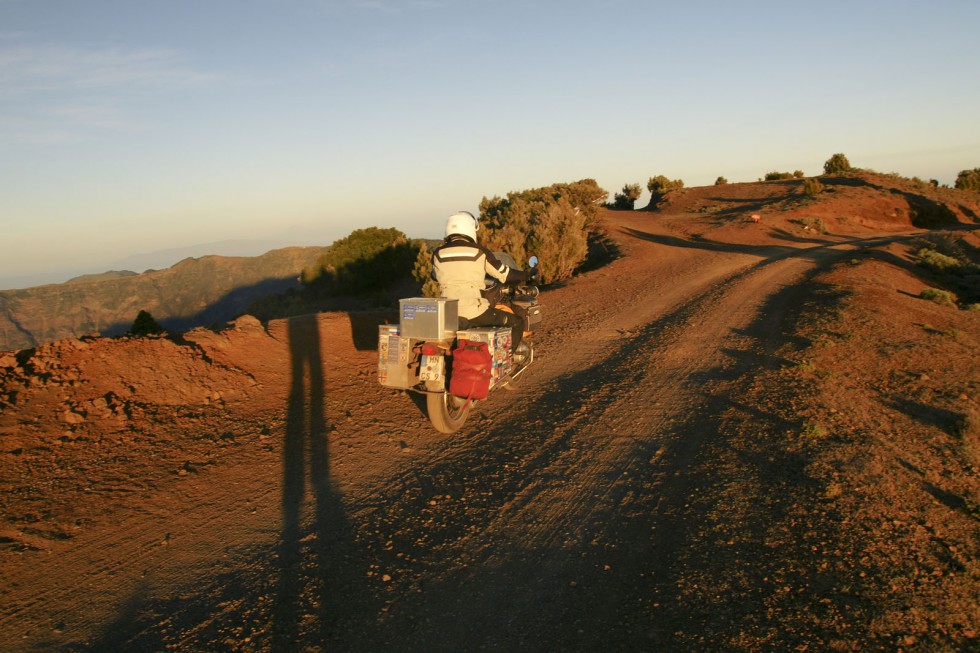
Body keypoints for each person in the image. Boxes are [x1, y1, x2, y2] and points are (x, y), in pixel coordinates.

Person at [432, 210, 534, 359]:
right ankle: (503, 361)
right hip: (474, 311)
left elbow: (435, 276)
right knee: (517, 322)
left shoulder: (437, 253)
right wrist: (528, 275)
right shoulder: (479, 252)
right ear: (470, 229)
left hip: (448, 314)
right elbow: (505, 274)